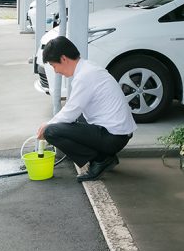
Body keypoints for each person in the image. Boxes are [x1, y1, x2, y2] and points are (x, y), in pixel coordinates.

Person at [36, 36, 136, 182]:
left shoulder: (85, 76)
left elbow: (70, 111)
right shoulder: (88, 68)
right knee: (67, 123)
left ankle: (101, 160)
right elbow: (73, 110)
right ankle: (104, 156)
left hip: (114, 137)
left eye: (53, 65)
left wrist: (46, 126)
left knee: (52, 131)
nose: (56, 71)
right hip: (118, 133)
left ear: (63, 59)